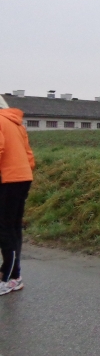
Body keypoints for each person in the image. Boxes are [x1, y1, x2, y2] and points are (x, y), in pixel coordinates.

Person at [0, 95, 36, 296]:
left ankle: (9, 278)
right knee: (13, 227)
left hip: (7, 179)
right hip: (22, 177)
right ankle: (14, 275)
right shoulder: (16, 123)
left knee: (5, 229)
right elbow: (29, 155)